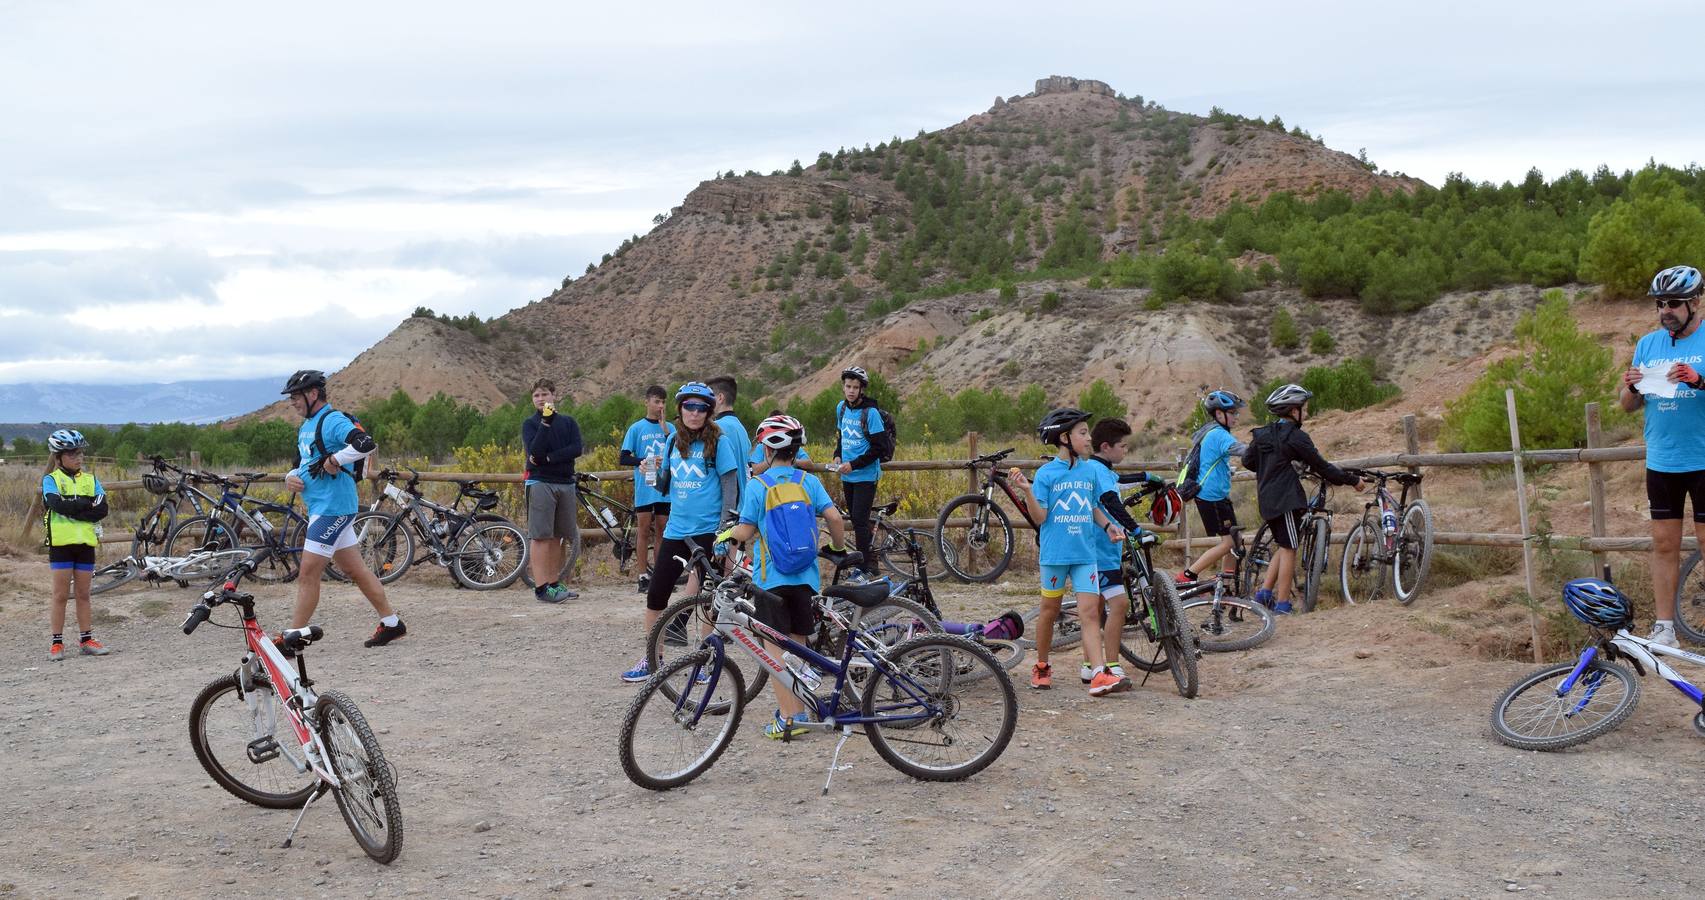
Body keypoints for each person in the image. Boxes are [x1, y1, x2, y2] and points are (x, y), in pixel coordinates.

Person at [717, 415, 852, 739]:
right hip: (806, 578)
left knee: (774, 651)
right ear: (797, 449)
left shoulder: (758, 485)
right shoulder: (808, 482)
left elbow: (746, 530)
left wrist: (724, 538)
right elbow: (834, 516)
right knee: (798, 646)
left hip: (771, 579)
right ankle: (801, 712)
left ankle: (788, 721)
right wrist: (837, 547)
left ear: (766, 449)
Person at [280, 370, 405, 647]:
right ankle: (392, 623)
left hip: (333, 508)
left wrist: (336, 458)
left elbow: (365, 443)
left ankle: (293, 638)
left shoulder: (331, 420)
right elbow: (303, 460)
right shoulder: (307, 425)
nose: (292, 402)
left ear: (313, 394)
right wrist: (290, 476)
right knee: (356, 570)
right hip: (321, 507)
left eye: (296, 397)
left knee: (308, 573)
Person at [627, 382, 742, 682]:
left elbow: (731, 487)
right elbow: (665, 485)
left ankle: (706, 659)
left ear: (709, 411)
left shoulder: (720, 442)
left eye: (701, 407)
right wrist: (649, 474)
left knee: (707, 599)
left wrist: (724, 530)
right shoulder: (671, 442)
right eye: (689, 406)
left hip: (707, 533)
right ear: (679, 409)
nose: (694, 412)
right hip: (676, 531)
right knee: (656, 595)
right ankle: (654, 658)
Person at [1009, 408, 1126, 696]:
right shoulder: (1046, 474)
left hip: (1086, 555)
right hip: (1055, 557)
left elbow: (1093, 505)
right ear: (1064, 437)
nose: (1088, 439)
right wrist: (1027, 490)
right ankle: (1042, 666)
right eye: (1082, 433)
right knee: (1049, 612)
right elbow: (1039, 518)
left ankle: (1098, 673)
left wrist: (1108, 525)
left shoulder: (1089, 470)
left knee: (1089, 613)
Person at [1619, 264, 1705, 648]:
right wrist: (1632, 387)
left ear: (1695, 303)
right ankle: (1665, 627)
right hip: (1663, 461)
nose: (1665, 310)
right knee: (1664, 545)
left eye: (1674, 302)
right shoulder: (1648, 344)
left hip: (1702, 459)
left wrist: (1698, 380)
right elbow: (1626, 407)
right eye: (1660, 303)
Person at [1240, 384, 1364, 614]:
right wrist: (1352, 480)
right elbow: (1322, 466)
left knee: (1285, 543)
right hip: (1286, 499)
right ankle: (1283, 604)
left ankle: (1264, 593)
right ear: (1292, 410)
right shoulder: (1296, 437)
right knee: (1290, 549)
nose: (1305, 414)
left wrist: (1273, 465)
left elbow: (1248, 461)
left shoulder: (1262, 434)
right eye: (1303, 409)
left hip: (1266, 497)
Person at [1082, 417, 1169, 692]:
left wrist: (1146, 477)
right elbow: (1109, 500)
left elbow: (1119, 481)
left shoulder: (1099, 468)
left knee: (1095, 608)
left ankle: (1089, 666)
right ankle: (1111, 664)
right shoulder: (1097, 471)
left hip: (1100, 549)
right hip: (1100, 549)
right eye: (1123, 446)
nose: (1126, 451)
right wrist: (1136, 529)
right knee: (1118, 604)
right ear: (1106, 447)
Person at [40, 429, 110, 661]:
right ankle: (56, 643)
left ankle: (86, 639)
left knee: (83, 594)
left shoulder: (91, 480)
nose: (78, 458)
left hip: (85, 545)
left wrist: (76, 507)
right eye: (72, 454)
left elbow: (102, 509)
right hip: (61, 545)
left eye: (80, 453)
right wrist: (85, 507)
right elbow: (56, 505)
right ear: (58, 457)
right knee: (60, 595)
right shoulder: (51, 480)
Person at [1178, 391, 1250, 587]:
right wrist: (1266, 448)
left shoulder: (1211, 432)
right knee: (1228, 543)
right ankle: (1188, 575)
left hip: (1215, 496)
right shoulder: (1219, 434)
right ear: (1219, 414)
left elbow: (1213, 460)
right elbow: (1243, 450)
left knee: (1236, 539)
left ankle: (1224, 584)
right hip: (1211, 497)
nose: (1236, 416)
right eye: (1233, 412)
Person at [522, 378, 582, 603]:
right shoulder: (530, 424)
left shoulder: (568, 422)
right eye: (536, 395)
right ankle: (541, 588)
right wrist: (545, 424)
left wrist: (548, 458)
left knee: (558, 536)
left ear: (553, 396)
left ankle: (554, 584)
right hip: (540, 483)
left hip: (565, 482)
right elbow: (534, 452)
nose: (540, 399)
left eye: (544, 394)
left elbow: (576, 448)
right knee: (540, 536)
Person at [830, 366, 891, 578]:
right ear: (843, 387)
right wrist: (837, 455)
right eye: (848, 386)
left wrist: (854, 464)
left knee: (859, 520)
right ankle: (867, 563)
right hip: (848, 474)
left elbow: (879, 447)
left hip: (865, 475)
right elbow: (841, 437)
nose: (851, 391)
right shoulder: (842, 408)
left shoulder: (870, 413)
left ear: (862, 389)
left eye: (856, 387)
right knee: (857, 521)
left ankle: (865, 567)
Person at [619, 385, 673, 594]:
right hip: (645, 483)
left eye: (663, 402)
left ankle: (659, 575)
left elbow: (680, 450)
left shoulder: (670, 428)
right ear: (647, 402)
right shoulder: (636, 428)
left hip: (664, 485)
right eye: (656, 401)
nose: (660, 406)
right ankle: (642, 575)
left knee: (662, 528)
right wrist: (646, 460)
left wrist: (667, 433)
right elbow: (624, 457)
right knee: (643, 529)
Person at [705, 375, 751, 490]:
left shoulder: (717, 427)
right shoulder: (741, 428)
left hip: (728, 500)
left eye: (708, 397)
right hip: (742, 500)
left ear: (720, 398)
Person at [749, 408, 811, 478]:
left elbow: (809, 463)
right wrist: (773, 459)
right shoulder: (762, 447)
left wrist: (793, 460)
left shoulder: (792, 444)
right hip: (781, 481)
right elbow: (755, 470)